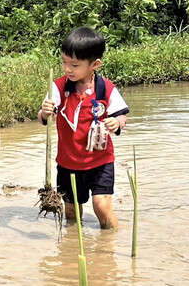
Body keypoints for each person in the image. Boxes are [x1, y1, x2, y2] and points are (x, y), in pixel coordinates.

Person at [38, 27, 129, 229]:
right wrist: (45, 112)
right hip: (68, 163)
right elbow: (43, 118)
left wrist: (117, 122)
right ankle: (73, 248)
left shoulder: (106, 88)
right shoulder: (58, 87)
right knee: (71, 211)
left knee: (101, 206)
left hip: (100, 161)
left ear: (94, 64)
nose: (67, 69)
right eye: (64, 62)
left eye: (74, 65)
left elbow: (122, 116)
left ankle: (111, 246)